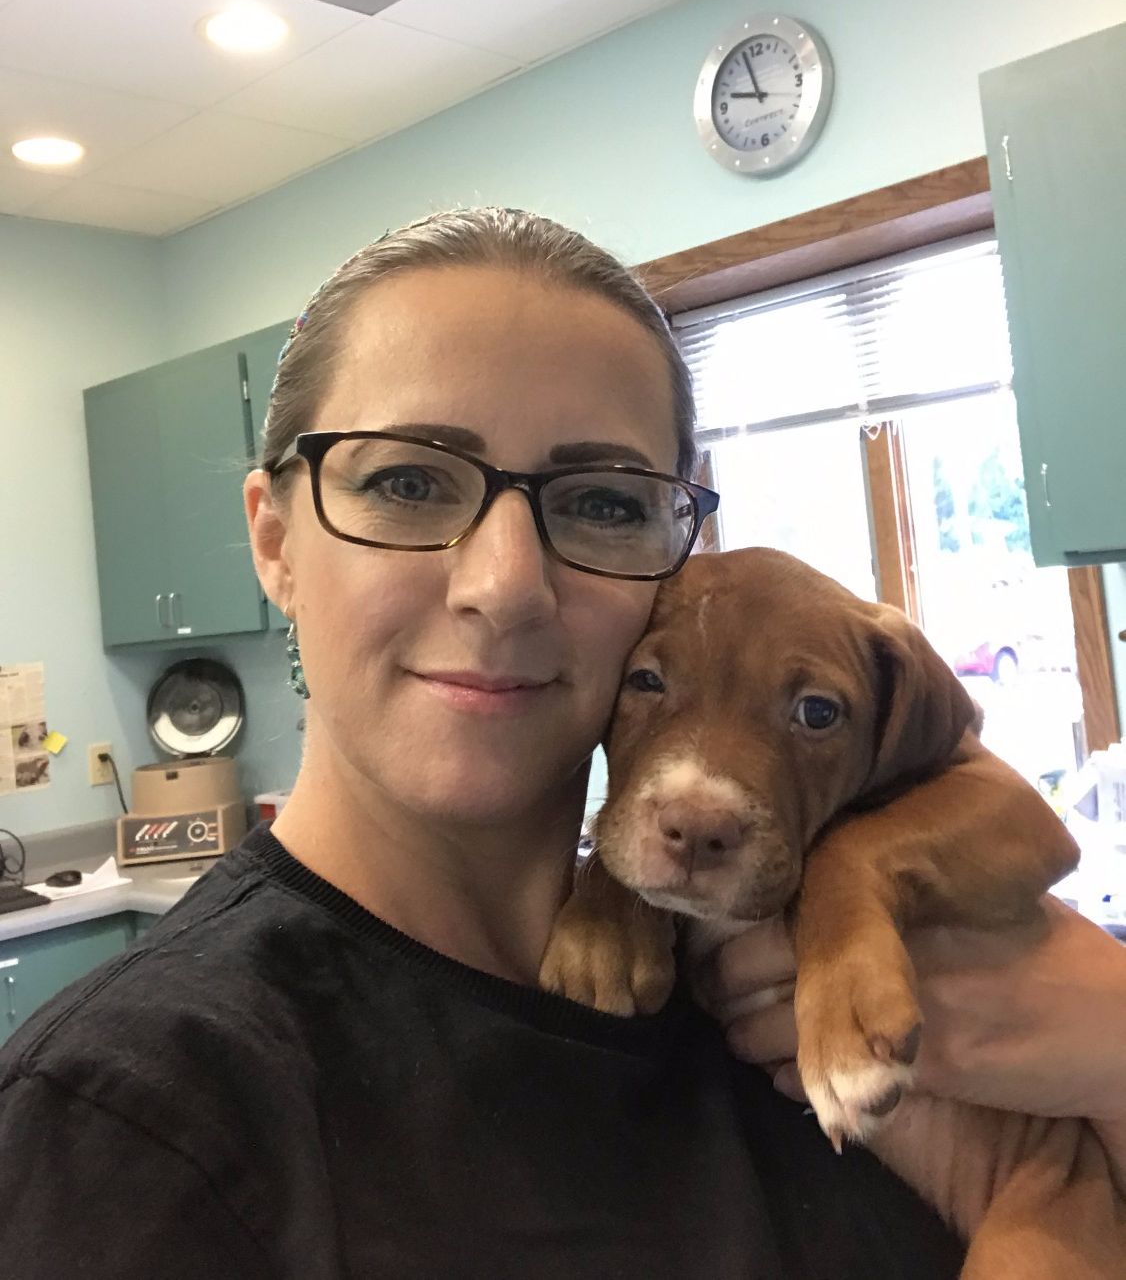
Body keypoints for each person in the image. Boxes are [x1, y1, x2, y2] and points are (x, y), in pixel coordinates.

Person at [0, 208, 1122, 1278]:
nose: (504, 584)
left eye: (599, 502)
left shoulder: (799, 950)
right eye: (406, 481)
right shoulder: (124, 1117)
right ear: (275, 540)